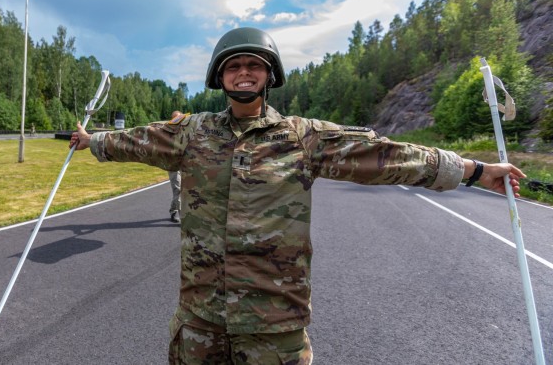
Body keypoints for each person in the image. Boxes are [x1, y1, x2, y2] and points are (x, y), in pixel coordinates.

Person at [70, 27, 525, 364]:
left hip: (275, 327)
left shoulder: (303, 138)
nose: (243, 72)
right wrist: (92, 141)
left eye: (253, 65)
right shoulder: (192, 133)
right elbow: (136, 139)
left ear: (269, 76)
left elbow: (388, 156)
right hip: (199, 323)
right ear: (219, 76)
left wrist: (474, 170)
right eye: (234, 65)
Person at [168, 110, 183, 223]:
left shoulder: (185, 130)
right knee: (177, 190)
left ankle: (173, 210)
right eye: (175, 119)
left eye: (180, 118)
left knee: (184, 190)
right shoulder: (167, 131)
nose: (178, 121)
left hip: (184, 165)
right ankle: (183, 217)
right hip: (173, 165)